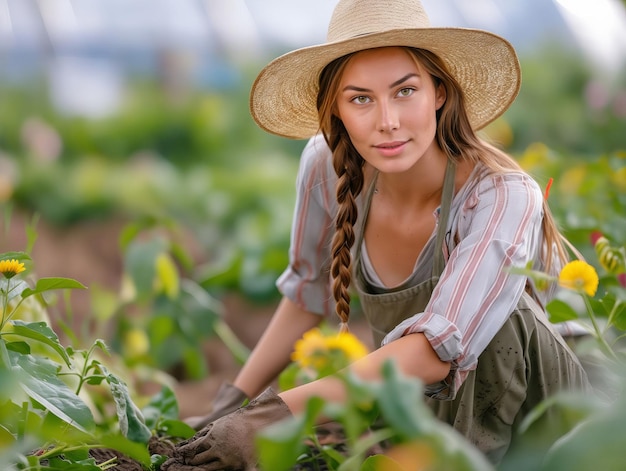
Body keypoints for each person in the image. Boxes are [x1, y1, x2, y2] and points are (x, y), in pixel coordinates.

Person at [163, 0, 591, 469]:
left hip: (562, 418)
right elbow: (308, 293)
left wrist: (275, 415)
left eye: (405, 91)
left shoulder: (500, 195)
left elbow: (438, 350)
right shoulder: (327, 166)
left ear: (440, 92)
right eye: (360, 98)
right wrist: (235, 402)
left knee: (500, 316)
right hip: (434, 404)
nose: (386, 120)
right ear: (337, 110)